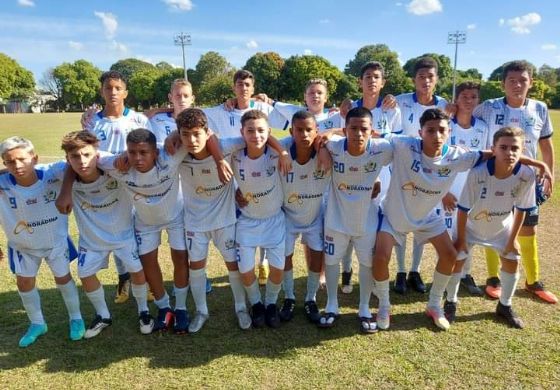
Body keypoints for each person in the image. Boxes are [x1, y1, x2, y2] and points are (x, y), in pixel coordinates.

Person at [373, 109, 487, 331]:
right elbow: (373, 134)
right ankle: (384, 306)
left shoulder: (457, 156)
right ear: (420, 132)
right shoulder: (404, 144)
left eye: (441, 130)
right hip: (394, 215)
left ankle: (434, 305)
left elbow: (493, 155)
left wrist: (539, 166)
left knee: (450, 254)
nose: (436, 135)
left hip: (426, 217)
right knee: (380, 257)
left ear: (449, 132)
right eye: (430, 130)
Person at [445, 127, 547, 328]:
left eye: (514, 148)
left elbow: (521, 209)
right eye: (504, 147)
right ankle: (450, 302)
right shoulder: (478, 173)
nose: (509, 152)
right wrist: (462, 239)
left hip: (502, 227)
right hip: (471, 226)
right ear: (494, 149)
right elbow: (463, 209)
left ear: (522, 150)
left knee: (511, 261)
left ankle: (505, 306)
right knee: (457, 259)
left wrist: (511, 241)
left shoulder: (526, 174)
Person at [474, 60, 556, 304]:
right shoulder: (488, 108)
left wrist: (549, 173)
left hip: (527, 179)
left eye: (523, 80)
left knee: (529, 229)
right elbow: (463, 113)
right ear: (503, 84)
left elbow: (546, 146)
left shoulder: (540, 109)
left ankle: (533, 282)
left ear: (531, 83)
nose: (517, 85)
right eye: (512, 80)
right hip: (494, 178)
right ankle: (493, 279)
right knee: (492, 225)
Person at [60, 131, 154, 337]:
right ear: (67, 159)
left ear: (97, 153)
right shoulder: (61, 173)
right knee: (84, 274)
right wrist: (66, 188)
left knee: (137, 272)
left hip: (125, 235)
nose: (82, 161)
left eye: (87, 155)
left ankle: (143, 311)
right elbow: (25, 170)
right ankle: (103, 315)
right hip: (92, 240)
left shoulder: (114, 166)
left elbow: (139, 154)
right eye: (75, 157)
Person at [96, 129, 190, 333]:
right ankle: (164, 307)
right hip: (145, 222)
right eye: (132, 152)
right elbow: (90, 154)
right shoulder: (119, 166)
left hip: (176, 217)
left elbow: (197, 131)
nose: (137, 158)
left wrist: (175, 133)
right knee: (148, 263)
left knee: (181, 258)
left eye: (143, 152)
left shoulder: (170, 158)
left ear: (155, 152)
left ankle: (181, 308)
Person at [0, 136, 84, 347]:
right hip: (23, 246)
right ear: (4, 163)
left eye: (22, 159)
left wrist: (65, 192)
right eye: (10, 161)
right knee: (24, 282)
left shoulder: (51, 173)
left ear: (34, 158)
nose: (17, 165)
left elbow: (72, 166)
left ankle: (76, 318)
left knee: (63, 278)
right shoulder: (3, 185)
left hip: (55, 241)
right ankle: (37, 323)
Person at [319, 107, 393, 333]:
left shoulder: (383, 148)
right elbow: (319, 137)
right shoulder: (334, 146)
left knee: (367, 264)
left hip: (367, 222)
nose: (359, 134)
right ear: (345, 129)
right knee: (331, 262)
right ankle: (332, 305)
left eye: (364, 129)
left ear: (372, 131)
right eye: (353, 128)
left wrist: (378, 179)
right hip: (336, 220)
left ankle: (363, 308)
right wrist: (323, 144)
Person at [80, 70, 152, 304]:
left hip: (134, 185)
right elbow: (87, 151)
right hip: (105, 187)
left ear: (125, 92)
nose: (113, 92)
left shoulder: (139, 119)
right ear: (101, 91)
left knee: (138, 233)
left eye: (117, 88)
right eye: (108, 88)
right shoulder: (92, 121)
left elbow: (150, 148)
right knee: (116, 232)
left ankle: (147, 280)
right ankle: (124, 279)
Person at [204, 70, 275, 285]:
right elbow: (191, 114)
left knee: (263, 216)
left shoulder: (264, 109)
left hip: (262, 174)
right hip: (233, 178)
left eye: (247, 85)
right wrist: (162, 109)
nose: (243, 88)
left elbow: (300, 117)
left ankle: (263, 263)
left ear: (253, 89)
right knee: (240, 227)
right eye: (239, 84)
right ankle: (244, 266)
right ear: (233, 87)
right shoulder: (221, 111)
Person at [336, 61, 402, 294]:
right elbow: (340, 137)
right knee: (347, 226)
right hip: (353, 178)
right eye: (367, 77)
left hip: (381, 181)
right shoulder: (349, 108)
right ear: (360, 82)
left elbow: (396, 143)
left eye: (376, 77)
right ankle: (346, 271)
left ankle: (374, 277)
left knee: (373, 233)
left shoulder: (391, 108)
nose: (372, 80)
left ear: (383, 82)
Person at [391, 56, 449, 295]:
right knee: (403, 223)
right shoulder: (400, 101)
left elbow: (447, 141)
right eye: (421, 77)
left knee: (422, 223)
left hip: (431, 175)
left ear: (436, 79)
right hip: (404, 172)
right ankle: (401, 272)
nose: (426, 81)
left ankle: (415, 270)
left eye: (430, 77)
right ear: (414, 79)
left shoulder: (445, 104)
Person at [231, 110, 290, 328]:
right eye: (250, 130)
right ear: (242, 133)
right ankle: (256, 304)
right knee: (245, 269)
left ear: (269, 132)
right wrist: (236, 191)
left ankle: (271, 303)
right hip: (247, 220)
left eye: (261, 130)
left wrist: (283, 151)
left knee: (277, 269)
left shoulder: (276, 154)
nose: (256, 135)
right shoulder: (234, 153)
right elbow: (211, 142)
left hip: (274, 220)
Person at [277, 110, 331, 324]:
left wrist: (324, 145)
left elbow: (350, 134)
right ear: (291, 131)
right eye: (299, 130)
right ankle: (289, 297)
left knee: (317, 255)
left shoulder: (327, 150)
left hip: (314, 216)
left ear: (316, 131)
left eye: (309, 130)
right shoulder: (280, 148)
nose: (304, 134)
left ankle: (310, 298)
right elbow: (260, 141)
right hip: (288, 217)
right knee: (285, 257)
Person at [443, 81, 490, 296]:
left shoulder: (483, 127)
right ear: (457, 100)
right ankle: (444, 275)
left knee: (467, 234)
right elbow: (437, 160)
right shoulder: (445, 125)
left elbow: (487, 157)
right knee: (446, 235)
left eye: (473, 97)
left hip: (472, 189)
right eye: (464, 97)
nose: (469, 101)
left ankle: (465, 274)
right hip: (447, 190)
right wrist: (443, 192)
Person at [256, 78, 342, 132]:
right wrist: (263, 98)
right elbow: (271, 102)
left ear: (326, 98)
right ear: (305, 97)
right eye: (311, 93)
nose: (315, 95)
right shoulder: (294, 113)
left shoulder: (336, 116)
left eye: (319, 93)